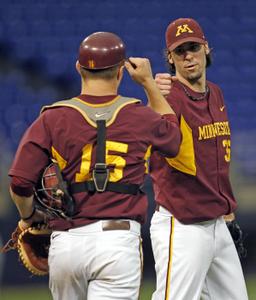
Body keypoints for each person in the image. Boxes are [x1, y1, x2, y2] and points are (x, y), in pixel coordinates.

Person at [8, 32, 181, 300]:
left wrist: (29, 216)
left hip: (67, 242)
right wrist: (149, 83)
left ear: (79, 68)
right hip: (118, 240)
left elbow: (20, 183)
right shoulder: (140, 116)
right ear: (121, 72)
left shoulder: (53, 117)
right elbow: (173, 141)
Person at [149, 18, 248, 300]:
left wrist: (227, 211)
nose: (188, 56)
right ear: (170, 58)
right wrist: (151, 89)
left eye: (193, 47)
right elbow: (152, 128)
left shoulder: (215, 92)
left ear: (206, 48)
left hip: (216, 222)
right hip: (182, 224)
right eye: (180, 51)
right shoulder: (167, 95)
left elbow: (215, 160)